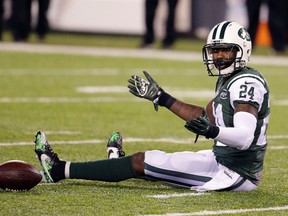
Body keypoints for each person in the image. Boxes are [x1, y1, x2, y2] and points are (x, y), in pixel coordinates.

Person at [35, 21, 270, 192]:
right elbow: (204, 116)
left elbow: (244, 137)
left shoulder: (246, 83)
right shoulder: (232, 79)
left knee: (141, 162)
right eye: (214, 50)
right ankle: (115, 162)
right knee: (154, 161)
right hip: (222, 160)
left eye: (225, 50)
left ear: (242, 50)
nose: (218, 56)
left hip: (235, 173)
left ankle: (58, 170)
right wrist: (162, 98)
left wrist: (211, 132)